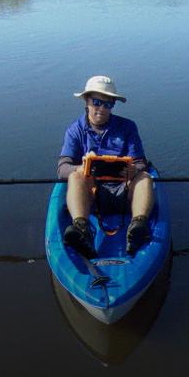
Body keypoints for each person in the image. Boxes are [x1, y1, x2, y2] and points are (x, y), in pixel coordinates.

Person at [57, 75, 154, 258]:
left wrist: (134, 169)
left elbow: (141, 162)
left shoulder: (127, 127)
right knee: (75, 177)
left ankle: (138, 225)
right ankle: (81, 228)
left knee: (145, 178)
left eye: (108, 104)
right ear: (86, 101)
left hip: (124, 192)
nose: (101, 108)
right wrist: (80, 168)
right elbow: (62, 168)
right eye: (96, 102)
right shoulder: (74, 130)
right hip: (92, 196)